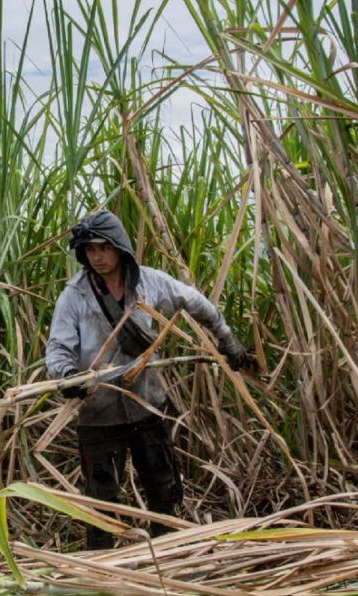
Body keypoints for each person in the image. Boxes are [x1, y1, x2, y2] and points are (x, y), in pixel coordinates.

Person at [45, 210, 251, 549]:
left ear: (120, 248)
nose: (96, 256)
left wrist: (227, 342)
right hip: (99, 414)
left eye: (103, 248)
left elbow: (199, 305)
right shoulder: (75, 296)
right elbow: (58, 348)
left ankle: (169, 559)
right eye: (89, 249)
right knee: (101, 501)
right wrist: (68, 377)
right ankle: (100, 572)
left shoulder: (151, 283)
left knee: (163, 489)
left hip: (147, 408)